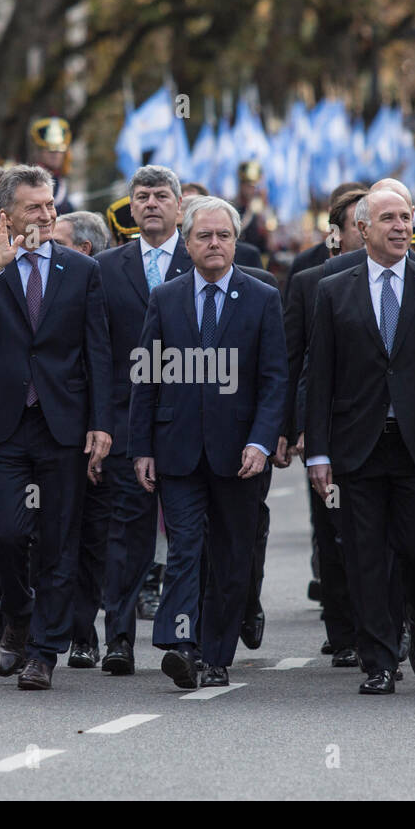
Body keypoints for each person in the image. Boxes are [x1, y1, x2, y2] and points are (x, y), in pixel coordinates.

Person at [0, 165, 112, 691]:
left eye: (50, 205)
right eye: (34, 207)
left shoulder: (81, 271)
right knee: (5, 532)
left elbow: (99, 353)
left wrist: (100, 425)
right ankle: (17, 614)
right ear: (3, 215)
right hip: (0, 421)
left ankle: (44, 651)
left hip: (61, 422)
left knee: (58, 540)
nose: (46, 215)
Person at [304, 189, 415, 694]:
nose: (400, 226)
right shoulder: (334, 289)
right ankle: (378, 659)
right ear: (362, 228)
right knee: (364, 554)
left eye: (406, 218)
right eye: (388, 219)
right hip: (358, 446)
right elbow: (320, 376)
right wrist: (317, 451)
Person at [130, 196, 287, 688]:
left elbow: (274, 379)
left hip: (239, 454)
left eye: (223, 235)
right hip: (177, 449)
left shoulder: (262, 297)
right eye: (204, 236)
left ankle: (216, 654)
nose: (214, 244)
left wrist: (261, 443)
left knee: (231, 553)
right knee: (184, 547)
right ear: (189, 242)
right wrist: (142, 448)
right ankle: (180, 644)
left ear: (236, 242)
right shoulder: (166, 297)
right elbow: (146, 377)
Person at [96, 166, 195, 675]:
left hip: (190, 422)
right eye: (142, 197)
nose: (152, 204)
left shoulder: (202, 258)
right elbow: (96, 352)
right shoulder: (108, 268)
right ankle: (118, 638)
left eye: (161, 196)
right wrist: (101, 425)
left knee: (187, 534)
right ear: (131, 208)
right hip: (125, 422)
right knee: (127, 537)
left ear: (180, 207)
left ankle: (184, 635)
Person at [282, 186, 368, 664]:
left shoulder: (413, 280)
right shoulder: (311, 280)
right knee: (334, 533)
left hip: (388, 429)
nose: (364, 230)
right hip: (330, 428)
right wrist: (294, 426)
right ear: (338, 234)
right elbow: (295, 358)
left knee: (384, 535)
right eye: (356, 223)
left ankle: (385, 624)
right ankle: (344, 633)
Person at [53, 209, 115, 667]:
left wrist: (102, 425)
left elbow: (102, 361)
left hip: (93, 427)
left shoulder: (98, 283)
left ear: (83, 249)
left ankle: (83, 631)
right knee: (49, 533)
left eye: (58, 242)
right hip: (47, 428)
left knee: (90, 535)